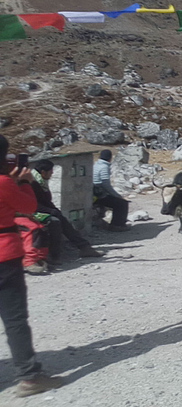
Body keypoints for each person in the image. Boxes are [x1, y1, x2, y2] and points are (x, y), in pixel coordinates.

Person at [0, 135, 64, 397]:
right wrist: (23, 183)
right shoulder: (4, 182)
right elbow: (28, 207)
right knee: (14, 318)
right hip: (4, 254)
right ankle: (29, 377)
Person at [31, 160, 102, 259]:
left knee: (60, 219)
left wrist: (54, 210)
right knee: (55, 222)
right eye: (51, 171)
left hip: (43, 210)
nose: (52, 173)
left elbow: (46, 201)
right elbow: (33, 204)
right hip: (32, 212)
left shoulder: (41, 182)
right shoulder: (33, 183)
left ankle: (83, 247)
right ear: (43, 172)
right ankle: (55, 255)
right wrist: (51, 211)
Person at [92, 150, 129, 232]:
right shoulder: (104, 167)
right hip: (99, 195)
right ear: (110, 158)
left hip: (94, 193)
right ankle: (117, 225)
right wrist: (117, 195)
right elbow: (106, 185)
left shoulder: (96, 164)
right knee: (121, 204)